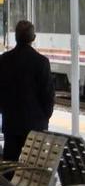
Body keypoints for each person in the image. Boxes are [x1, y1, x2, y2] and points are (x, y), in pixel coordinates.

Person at [0, 20, 55, 163]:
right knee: (33, 167)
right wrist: (44, 117)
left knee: (10, 166)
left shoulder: (4, 60)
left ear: (15, 37)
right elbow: (48, 95)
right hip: (36, 125)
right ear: (33, 38)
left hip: (11, 123)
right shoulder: (42, 62)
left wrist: (4, 111)